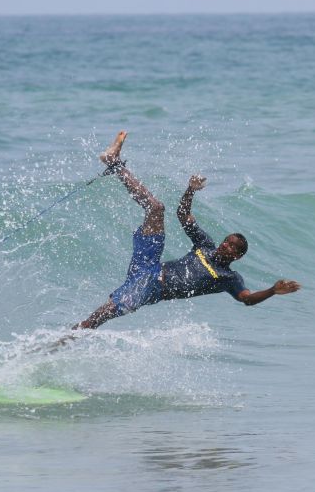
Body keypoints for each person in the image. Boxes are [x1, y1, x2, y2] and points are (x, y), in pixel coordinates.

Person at [66, 131, 301, 339]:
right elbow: (183, 215)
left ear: (238, 256)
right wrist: (190, 190)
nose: (226, 246)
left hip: (151, 289)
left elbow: (246, 299)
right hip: (149, 265)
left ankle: (62, 341)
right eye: (227, 241)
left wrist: (272, 291)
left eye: (232, 247)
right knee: (156, 209)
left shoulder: (229, 278)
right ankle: (115, 164)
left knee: (95, 320)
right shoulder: (205, 245)